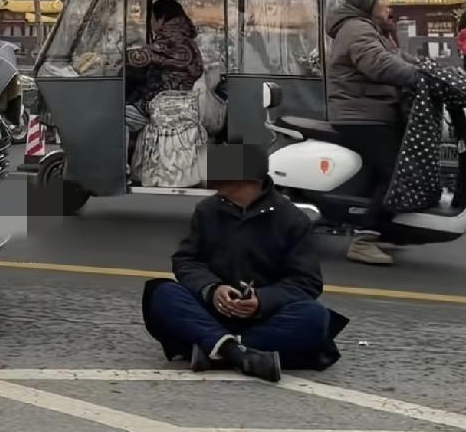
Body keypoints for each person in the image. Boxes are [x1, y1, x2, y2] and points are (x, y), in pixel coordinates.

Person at [142, 156, 345, 383]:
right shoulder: (208, 210)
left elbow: (306, 281)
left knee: (314, 316)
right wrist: (213, 289)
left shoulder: (291, 219)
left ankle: (219, 349)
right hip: (213, 311)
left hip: (265, 317)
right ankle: (239, 353)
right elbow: (187, 261)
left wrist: (261, 300)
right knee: (163, 294)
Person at [327, 0, 419, 266]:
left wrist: (429, 69)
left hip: (374, 111)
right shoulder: (357, 28)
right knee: (397, 172)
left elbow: (398, 57)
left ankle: (384, 229)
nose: (387, 4)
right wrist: (421, 77)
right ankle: (364, 239)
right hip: (361, 114)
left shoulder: (369, 28)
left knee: (387, 171)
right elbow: (378, 63)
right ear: (367, 1)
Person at [126, 0, 204, 114]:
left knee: (119, 112)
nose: (151, 22)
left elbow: (142, 56)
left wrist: (122, 56)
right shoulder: (187, 40)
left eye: (152, 18)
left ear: (161, 19)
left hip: (162, 103)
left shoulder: (172, 41)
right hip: (181, 101)